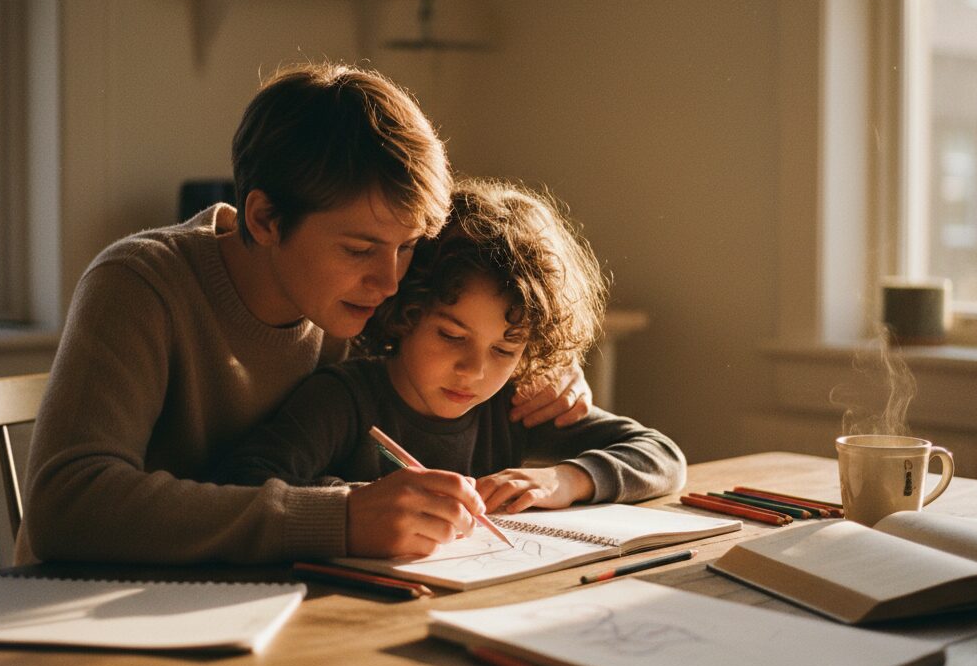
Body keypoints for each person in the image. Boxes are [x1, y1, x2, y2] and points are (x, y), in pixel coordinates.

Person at [18, 63, 591, 566]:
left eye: (408, 246)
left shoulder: (369, 296)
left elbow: (472, 304)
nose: (391, 281)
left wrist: (544, 369)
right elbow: (67, 505)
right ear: (265, 220)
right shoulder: (140, 285)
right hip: (85, 612)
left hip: (265, 593)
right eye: (359, 249)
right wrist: (337, 518)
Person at [212, 178, 686, 558]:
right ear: (404, 312)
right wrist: (355, 501)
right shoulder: (344, 400)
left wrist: (565, 479)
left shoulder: (512, 405)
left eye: (504, 349)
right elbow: (240, 481)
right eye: (452, 336)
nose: (474, 371)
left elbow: (661, 455)